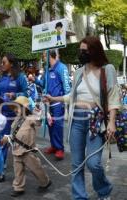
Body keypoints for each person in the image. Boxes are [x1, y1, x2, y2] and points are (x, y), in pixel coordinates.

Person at [44, 36, 121, 200]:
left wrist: (112, 122)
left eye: (84, 51)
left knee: (93, 163)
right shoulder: (79, 71)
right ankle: (79, 197)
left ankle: (104, 189)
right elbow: (72, 96)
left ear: (94, 51)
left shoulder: (107, 69)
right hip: (76, 122)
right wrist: (54, 99)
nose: (81, 53)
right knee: (76, 164)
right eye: (81, 50)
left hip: (96, 121)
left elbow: (113, 97)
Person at [0, 96, 51, 197]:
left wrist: (37, 113)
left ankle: (45, 182)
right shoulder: (16, 120)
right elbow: (14, 134)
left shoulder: (30, 118)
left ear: (25, 108)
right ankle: (18, 187)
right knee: (18, 171)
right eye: (14, 108)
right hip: (16, 149)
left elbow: (38, 121)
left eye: (17, 107)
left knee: (36, 168)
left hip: (27, 151)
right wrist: (7, 138)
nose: (15, 110)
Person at [35, 49, 71, 160]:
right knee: (50, 125)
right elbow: (43, 84)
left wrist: (65, 102)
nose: (43, 58)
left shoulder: (62, 68)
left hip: (57, 103)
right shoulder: (47, 70)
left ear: (50, 55)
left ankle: (60, 149)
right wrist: (35, 79)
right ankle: (54, 146)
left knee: (58, 126)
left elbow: (67, 87)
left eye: (44, 56)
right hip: (48, 104)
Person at [0, 53, 29, 165]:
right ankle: (1, 164)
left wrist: (14, 95)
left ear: (11, 63)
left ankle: (23, 163)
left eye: (4, 62)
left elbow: (27, 93)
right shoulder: (1, 78)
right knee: (3, 139)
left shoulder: (20, 76)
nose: (2, 64)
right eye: (2, 62)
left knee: (18, 141)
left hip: (17, 115)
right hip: (3, 114)